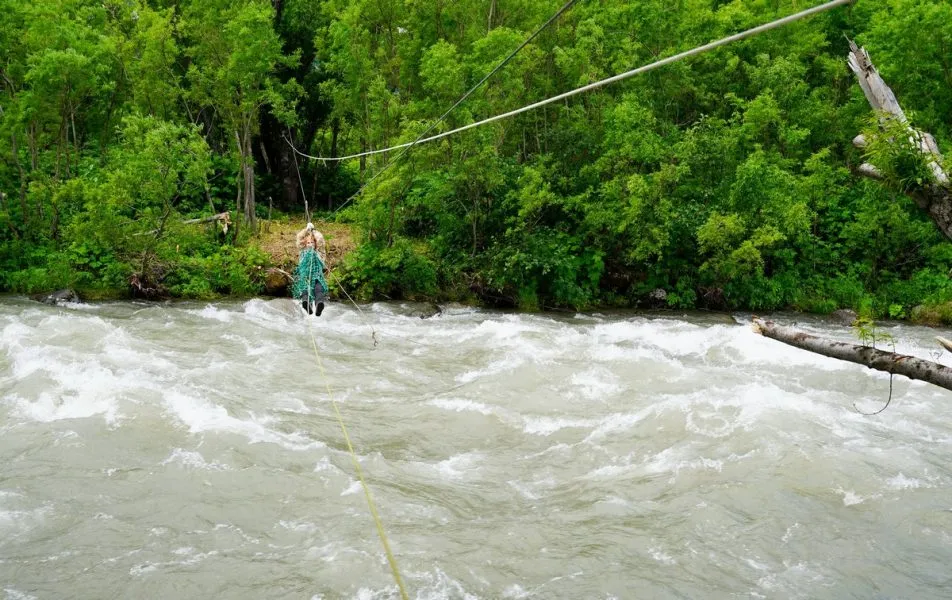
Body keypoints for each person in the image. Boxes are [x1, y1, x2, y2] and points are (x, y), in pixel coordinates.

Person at [293, 223, 329, 316]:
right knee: (305, 289)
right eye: (308, 243)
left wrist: (314, 231)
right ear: (305, 244)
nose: (310, 244)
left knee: (318, 288)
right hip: (305, 276)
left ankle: (319, 305)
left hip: (317, 275)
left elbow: (320, 240)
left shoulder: (319, 251)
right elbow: (300, 238)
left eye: (312, 242)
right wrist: (306, 230)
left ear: (315, 243)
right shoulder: (303, 251)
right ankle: (306, 303)